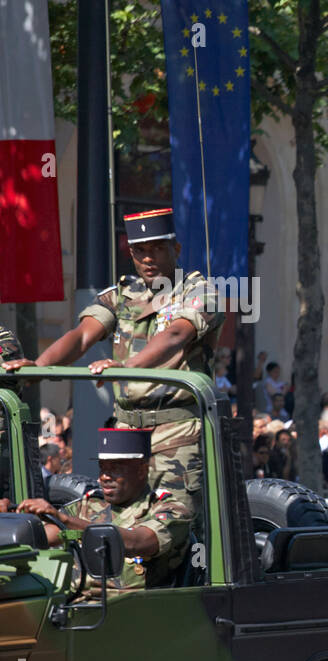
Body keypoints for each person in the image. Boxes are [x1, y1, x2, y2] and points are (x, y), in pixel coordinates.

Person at [2, 208, 220, 513]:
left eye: (157, 248)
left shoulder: (200, 292)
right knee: (119, 520)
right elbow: (82, 337)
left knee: (174, 523)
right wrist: (39, 367)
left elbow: (175, 336)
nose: (148, 258)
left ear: (176, 249)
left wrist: (128, 367)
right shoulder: (121, 295)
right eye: (139, 250)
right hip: (126, 432)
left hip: (177, 430)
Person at [17, 428, 192, 593]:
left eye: (115, 469)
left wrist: (65, 520)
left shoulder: (168, 509)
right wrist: (12, 521)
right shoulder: (88, 505)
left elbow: (137, 542)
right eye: (102, 468)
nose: (104, 477)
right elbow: (45, 536)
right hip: (76, 603)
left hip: (133, 610)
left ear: (142, 470)